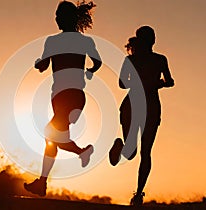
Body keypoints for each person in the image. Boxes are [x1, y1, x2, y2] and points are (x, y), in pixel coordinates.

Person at [24, 1, 101, 197]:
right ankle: (44, 182)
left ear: (67, 18)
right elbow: (97, 62)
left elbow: (43, 66)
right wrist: (90, 70)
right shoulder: (85, 41)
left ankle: (46, 180)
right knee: (52, 138)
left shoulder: (52, 41)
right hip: (70, 96)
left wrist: (37, 63)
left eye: (59, 16)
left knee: (50, 136)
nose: (56, 19)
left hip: (66, 96)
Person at [109, 26, 174, 205]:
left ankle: (138, 194)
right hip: (143, 106)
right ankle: (137, 193)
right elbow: (169, 81)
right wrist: (157, 83)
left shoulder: (136, 60)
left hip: (140, 106)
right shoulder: (148, 60)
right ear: (152, 41)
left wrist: (148, 83)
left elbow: (123, 84)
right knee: (142, 152)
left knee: (141, 152)